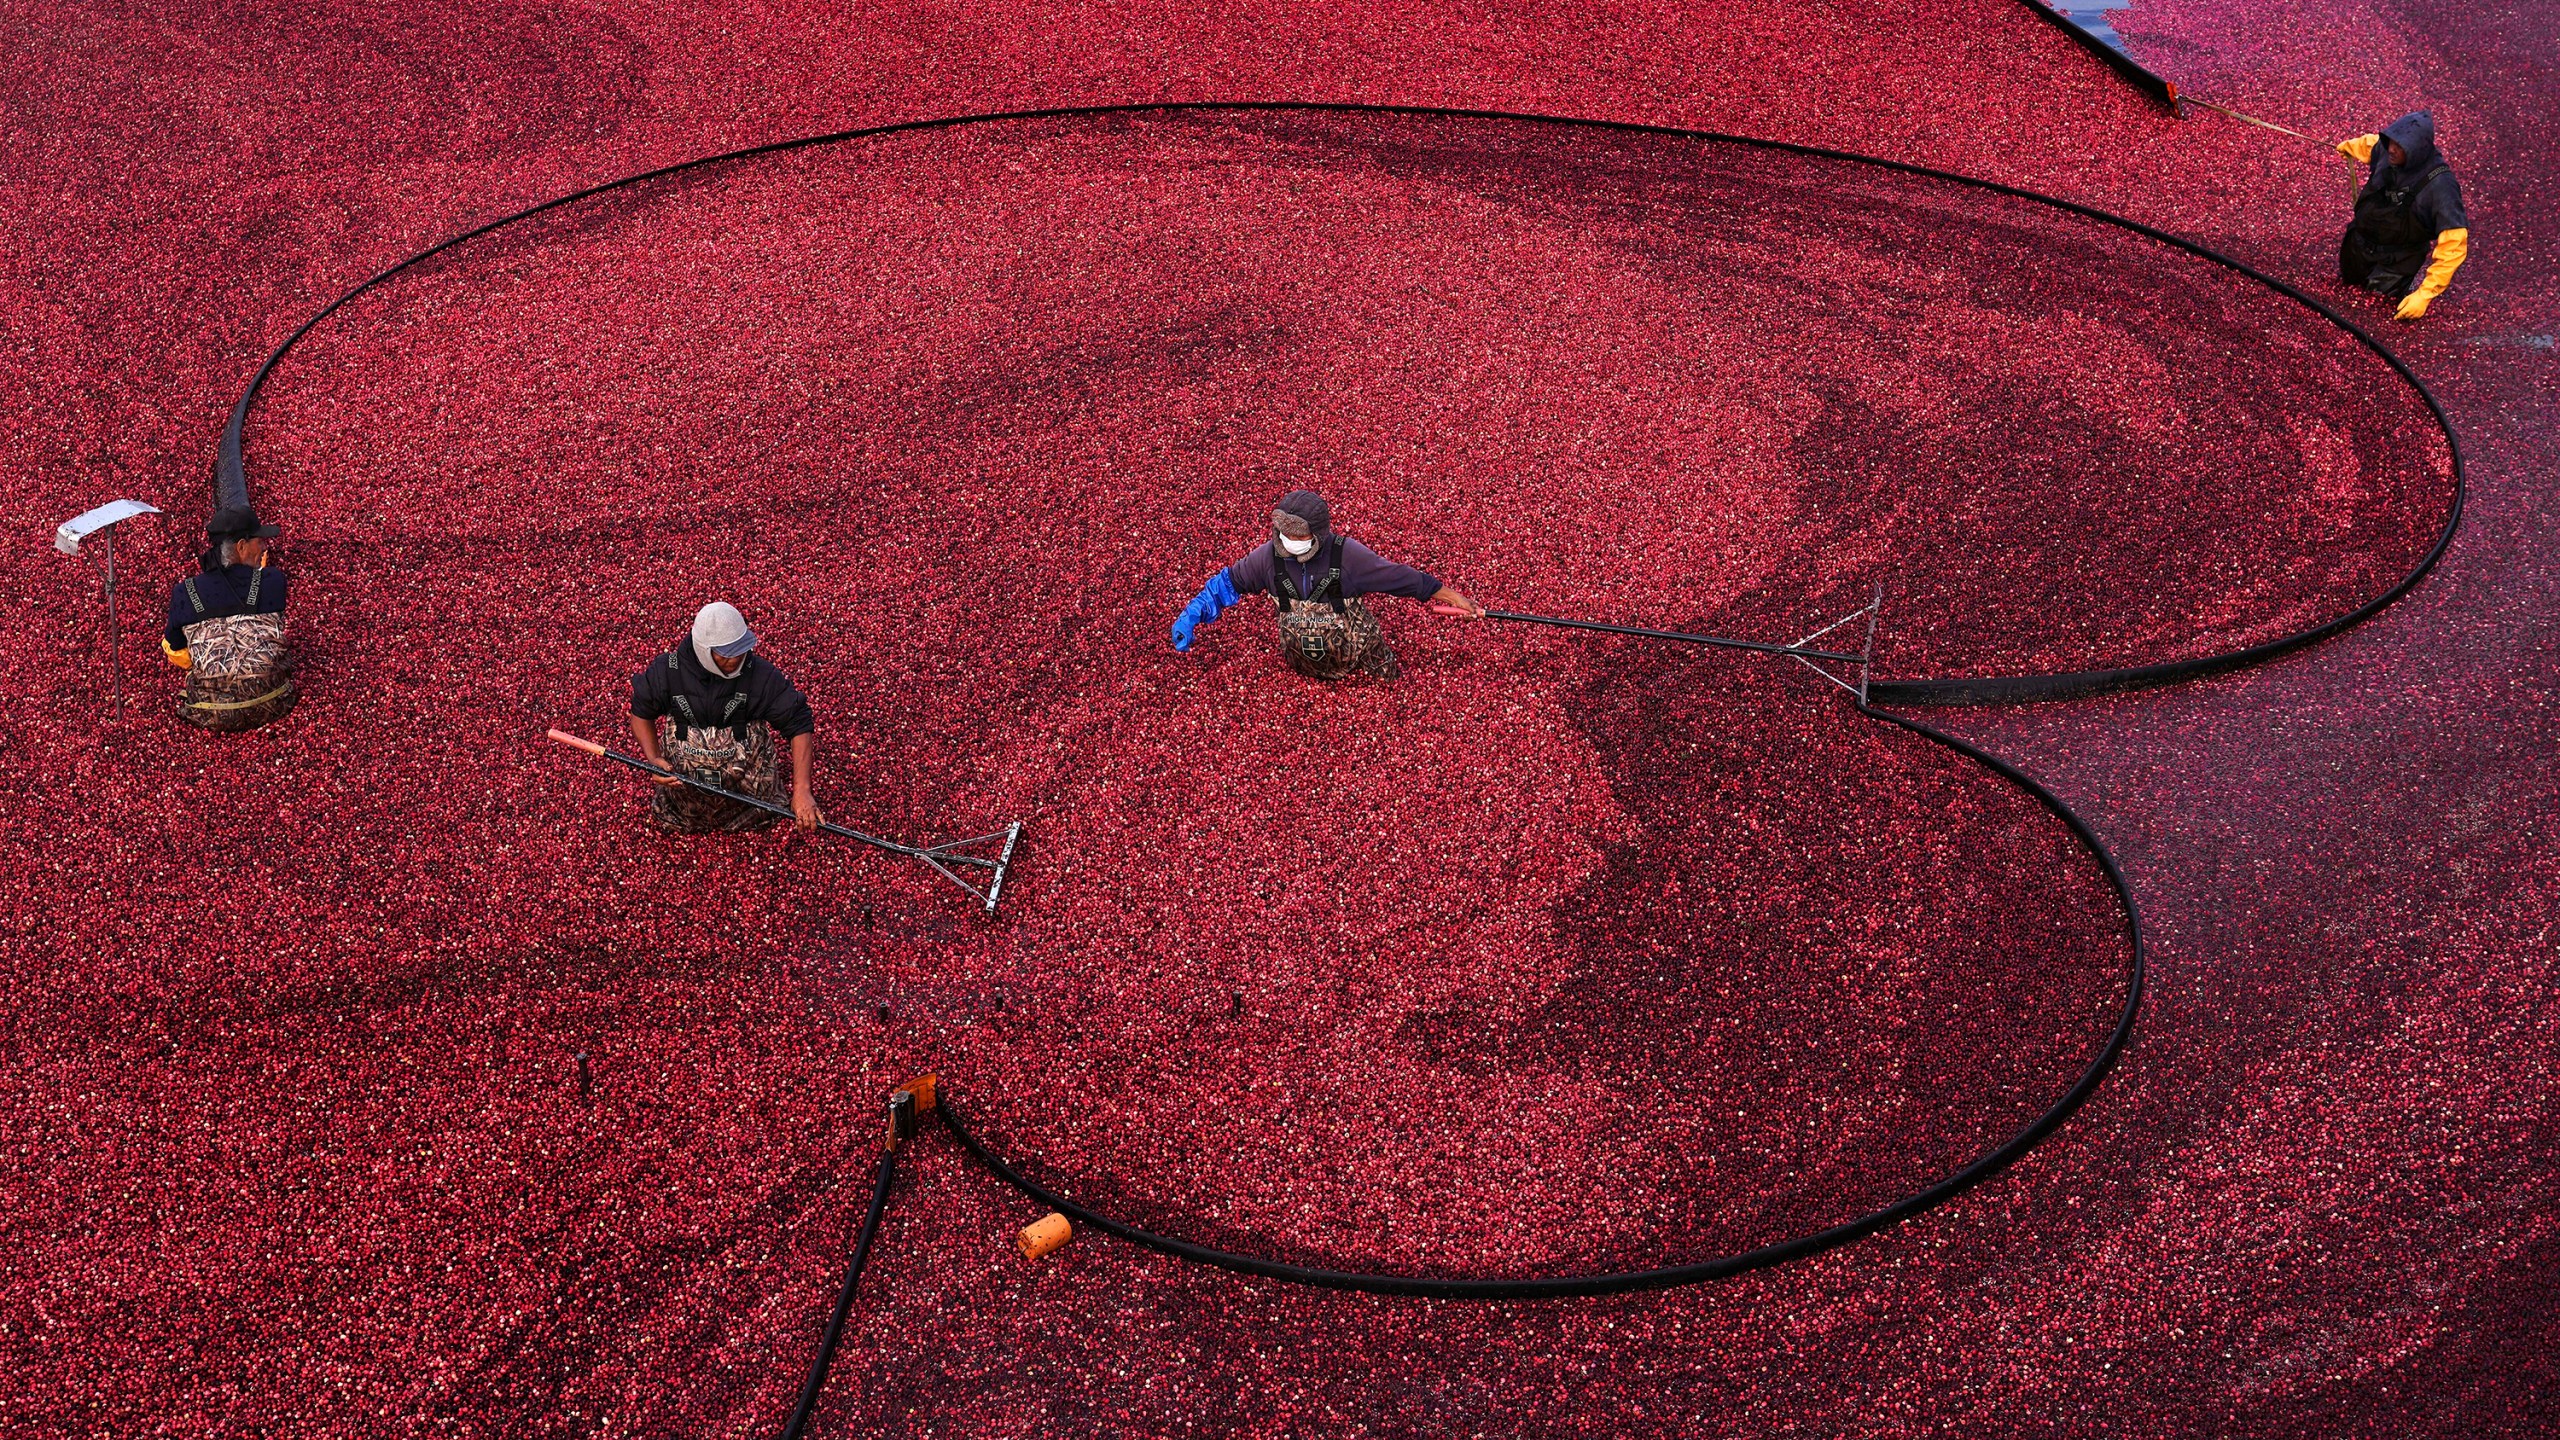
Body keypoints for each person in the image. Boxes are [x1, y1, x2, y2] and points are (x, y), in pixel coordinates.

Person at [1170, 489, 1484, 679]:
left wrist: (1450, 595)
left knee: (1387, 676)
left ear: (1318, 534)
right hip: (1300, 664)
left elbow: (1400, 577)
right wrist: (1193, 613)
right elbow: (1227, 584)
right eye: (1284, 534)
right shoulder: (1266, 559)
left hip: (1358, 658)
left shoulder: (1349, 557)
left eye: (1299, 536)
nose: (1289, 541)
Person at [627, 602, 823, 833]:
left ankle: (756, 812)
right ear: (702, 649)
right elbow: (640, 712)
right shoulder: (668, 671)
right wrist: (653, 758)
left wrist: (802, 789)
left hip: (749, 782)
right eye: (727, 654)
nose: (737, 658)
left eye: (741, 649)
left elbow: (798, 723)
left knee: (764, 813)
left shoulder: (760, 674)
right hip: (685, 779)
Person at [163, 504, 297, 732]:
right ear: (242, 546)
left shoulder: (185, 592)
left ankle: (215, 680)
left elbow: (176, 648)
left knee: (170, 643)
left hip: (210, 711)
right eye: (259, 541)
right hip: (274, 703)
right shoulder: (273, 580)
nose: (265, 547)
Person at [2336, 111, 2469, 321]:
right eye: (2390, 141)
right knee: (2342, 299)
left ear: (2416, 150)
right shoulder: (2386, 151)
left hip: (2395, 263)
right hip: (2358, 246)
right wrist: (2349, 147)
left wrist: (2425, 294)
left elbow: (2454, 243)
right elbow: (2371, 145)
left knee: (2371, 317)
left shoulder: (2441, 187)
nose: (2391, 149)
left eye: (2399, 147)